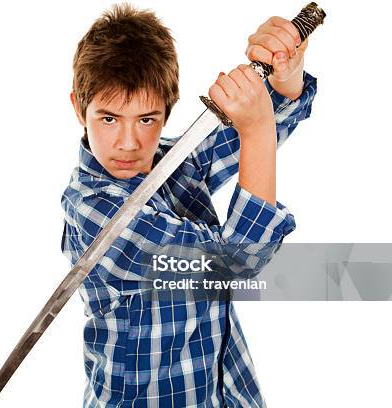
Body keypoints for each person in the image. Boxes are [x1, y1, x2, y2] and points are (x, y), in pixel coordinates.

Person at [61, 3, 317, 407]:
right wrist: (257, 127)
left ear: (168, 109)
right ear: (79, 108)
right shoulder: (96, 212)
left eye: (146, 119)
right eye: (109, 119)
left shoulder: (167, 161)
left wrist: (284, 81)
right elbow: (236, 259)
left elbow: (242, 136)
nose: (129, 143)